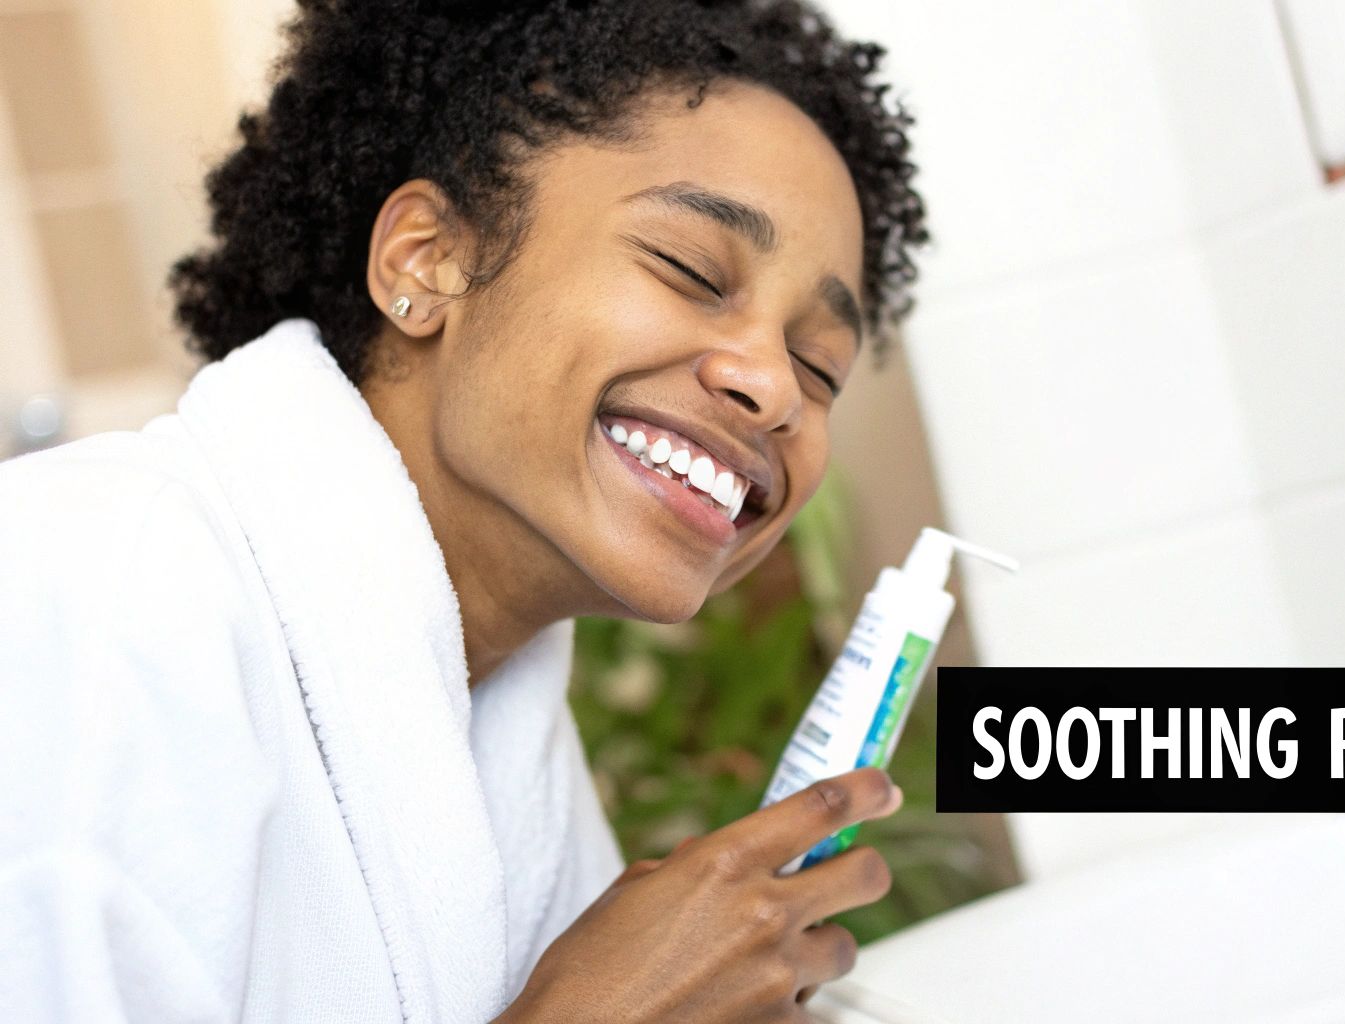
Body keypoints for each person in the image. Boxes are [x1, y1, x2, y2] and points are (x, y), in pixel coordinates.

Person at [0, 0, 929, 1019]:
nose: (773, 386)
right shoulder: (81, 593)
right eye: (691, 269)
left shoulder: (495, 733)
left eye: (819, 365)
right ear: (425, 260)